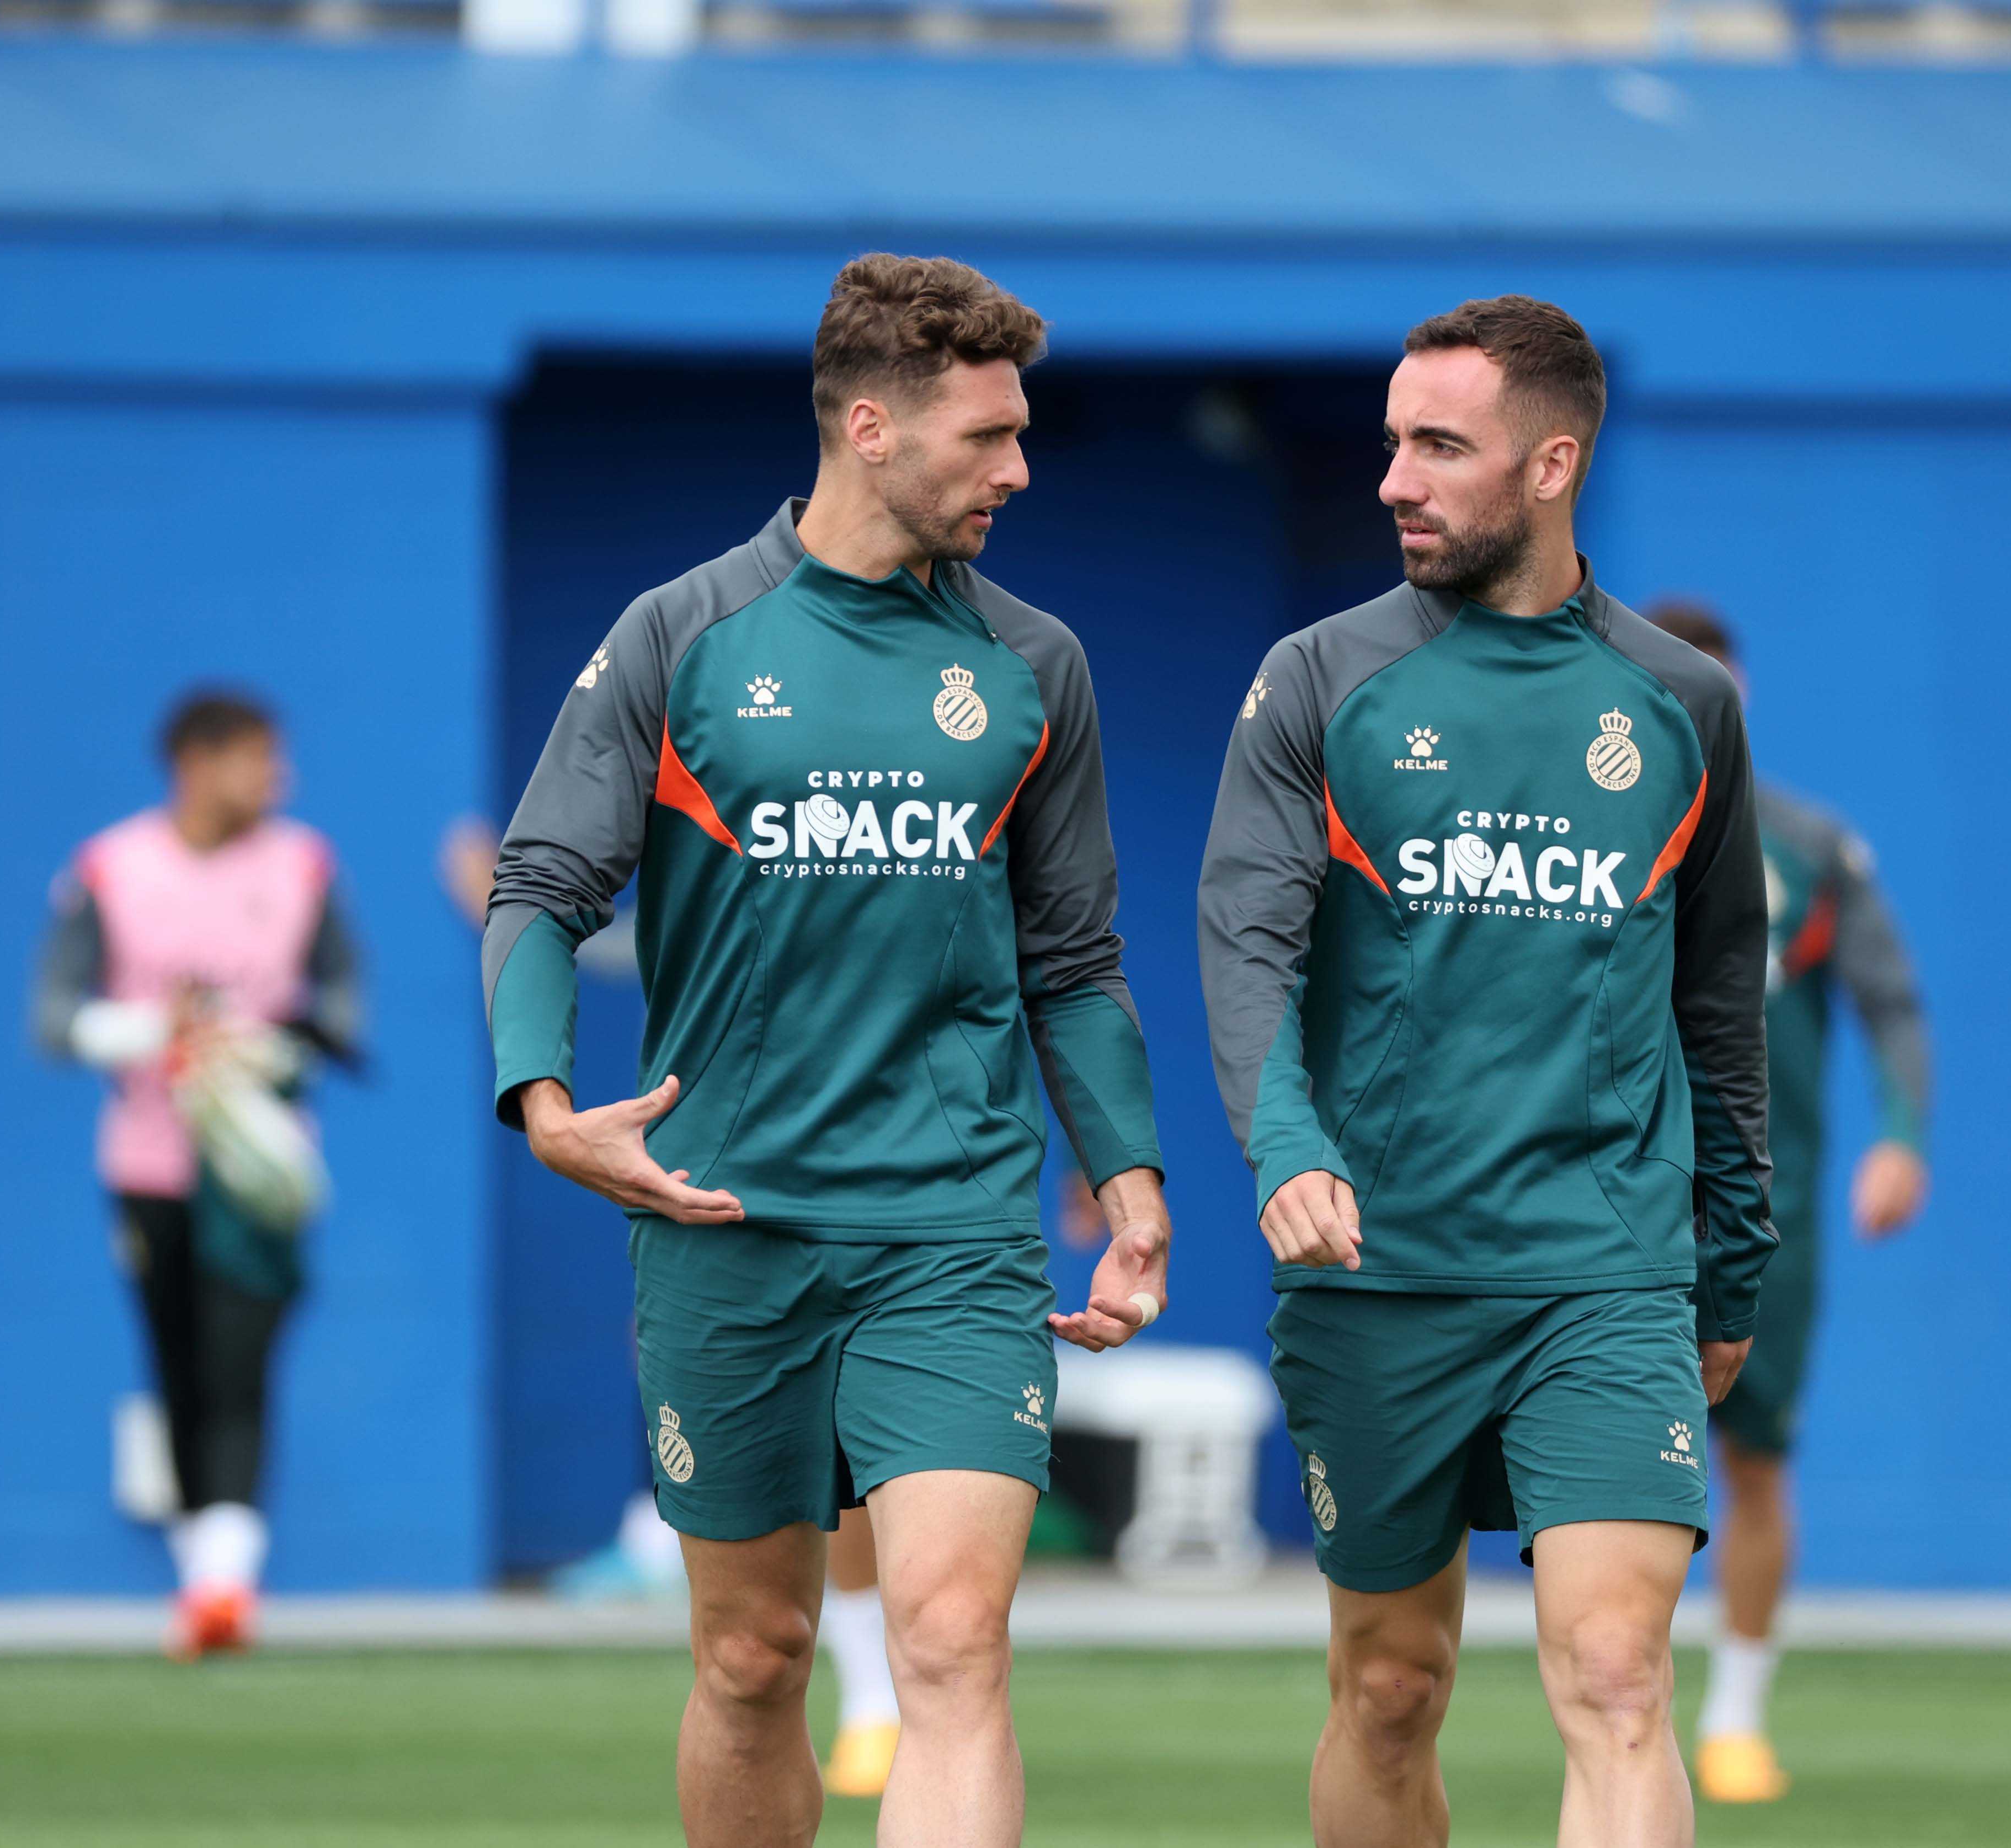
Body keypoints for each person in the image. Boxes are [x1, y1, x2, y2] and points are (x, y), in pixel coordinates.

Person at [482, 253, 1171, 1848]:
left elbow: (1074, 961)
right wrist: (544, 1102)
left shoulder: (1033, 664)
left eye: (1020, 433)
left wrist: (1130, 1176)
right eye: (987, 435)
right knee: (753, 1655)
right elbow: (540, 886)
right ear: (870, 427)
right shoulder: (683, 634)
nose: (1018, 467)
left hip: (953, 1228)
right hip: (725, 1224)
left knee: (951, 1638)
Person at [1198, 296, 1777, 1848]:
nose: (1394, 478)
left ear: (1551, 464)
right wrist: (1286, 1143)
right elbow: (1245, 947)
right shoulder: (1318, 680)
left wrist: (1730, 1264)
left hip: (1605, 1270)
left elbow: (1718, 1003)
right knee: (1391, 1686)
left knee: (1617, 1672)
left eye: (1439, 446)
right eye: (1393, 441)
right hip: (1378, 1273)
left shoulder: (1683, 704)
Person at [445, 819, 903, 1796]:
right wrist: (509, 904)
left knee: (859, 1422)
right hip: (728, 1157)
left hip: (892, 1163)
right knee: (678, 1351)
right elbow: (634, 940)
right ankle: (657, 1528)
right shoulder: (721, 829)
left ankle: (877, 1697)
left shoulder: (895, 838)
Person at [1640, 600, 1933, 1806]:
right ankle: (1627, 1700)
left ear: (1740, 696)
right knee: (1621, 1466)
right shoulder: (1581, 839)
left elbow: (1891, 1002)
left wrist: (1902, 1138)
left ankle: (1735, 1715)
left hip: (1767, 1212)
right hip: (1613, 1206)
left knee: (1753, 1458)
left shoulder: (1806, 848)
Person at [33, 688, 365, 1659]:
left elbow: (343, 993)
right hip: (149, 1161)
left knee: (240, 1357)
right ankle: (202, 1573)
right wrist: (154, 1031)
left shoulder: (303, 865)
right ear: (197, 761)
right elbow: (55, 1016)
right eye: (259, 758)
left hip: (260, 1166)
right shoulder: (112, 867)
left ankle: (226, 1583)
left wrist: (280, 1048)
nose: (277, 778)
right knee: (176, 1360)